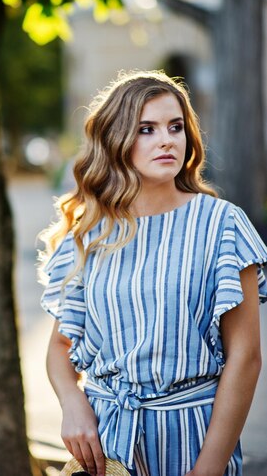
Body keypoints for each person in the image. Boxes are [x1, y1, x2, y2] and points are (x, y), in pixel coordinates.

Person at [38, 70, 267, 476]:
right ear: (116, 140)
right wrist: (73, 407)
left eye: (175, 127)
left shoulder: (220, 224)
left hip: (193, 438)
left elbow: (246, 359)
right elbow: (60, 350)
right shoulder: (91, 232)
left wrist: (208, 469)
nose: (167, 140)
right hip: (105, 443)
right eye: (147, 129)